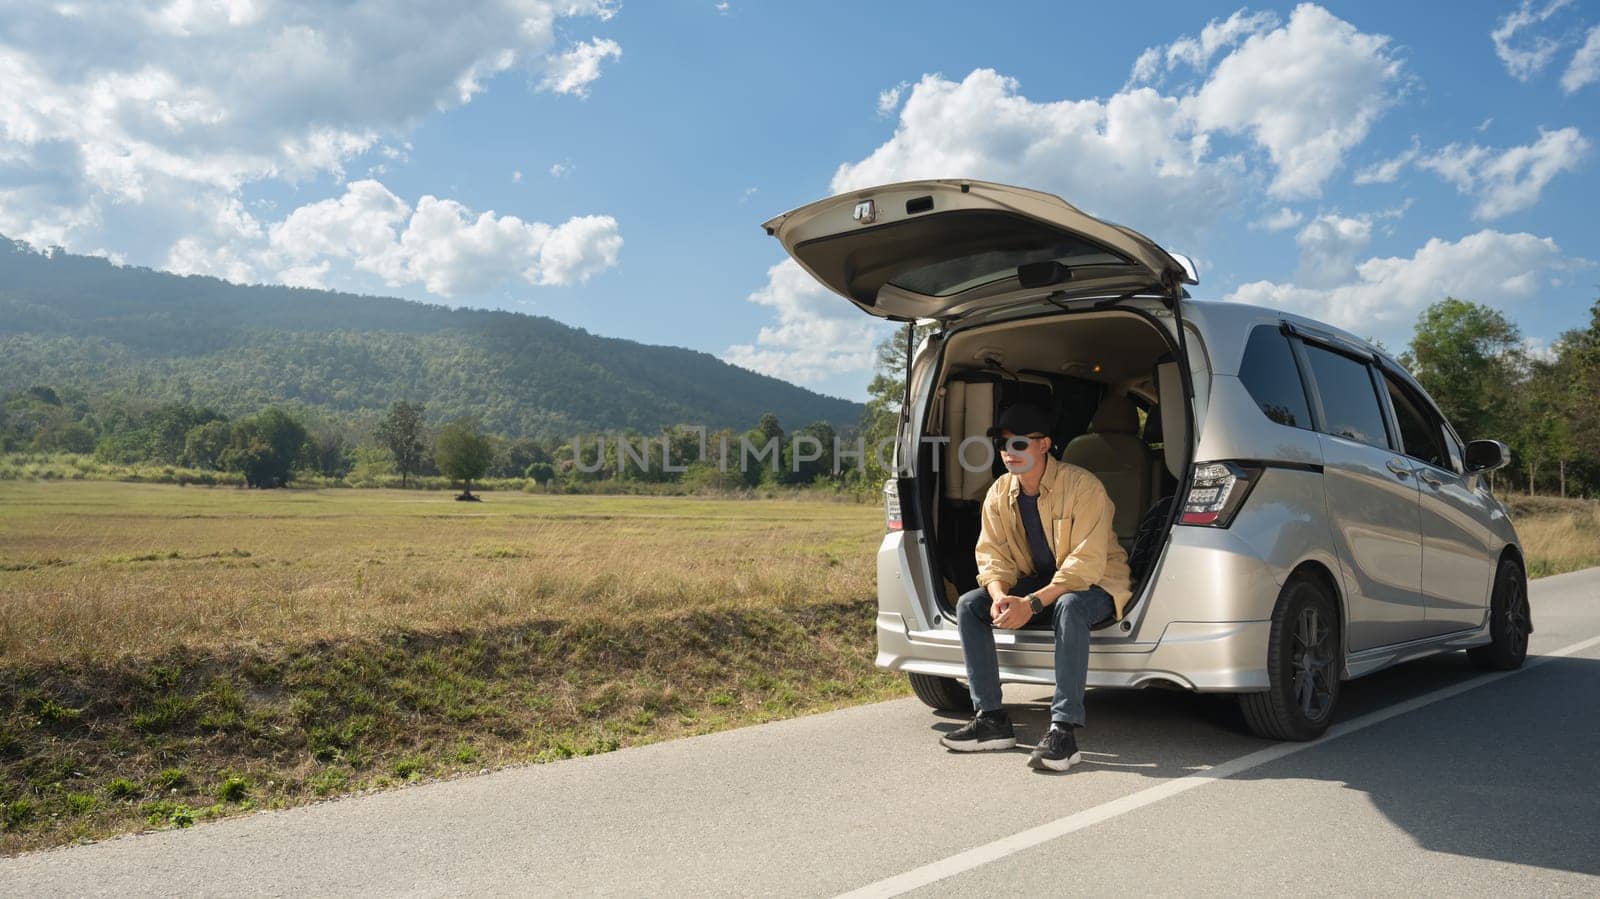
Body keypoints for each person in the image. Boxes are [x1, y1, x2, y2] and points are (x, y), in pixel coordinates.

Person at [938, 402, 1133, 771]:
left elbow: (1083, 565)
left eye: (1020, 444)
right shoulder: (998, 492)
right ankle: (991, 720)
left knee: (1070, 606)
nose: (1009, 453)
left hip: (1097, 581)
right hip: (1040, 581)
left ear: (1044, 445)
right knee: (969, 605)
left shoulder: (1084, 487)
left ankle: (1063, 730)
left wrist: (1031, 603)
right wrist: (999, 597)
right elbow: (991, 554)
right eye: (1003, 444)